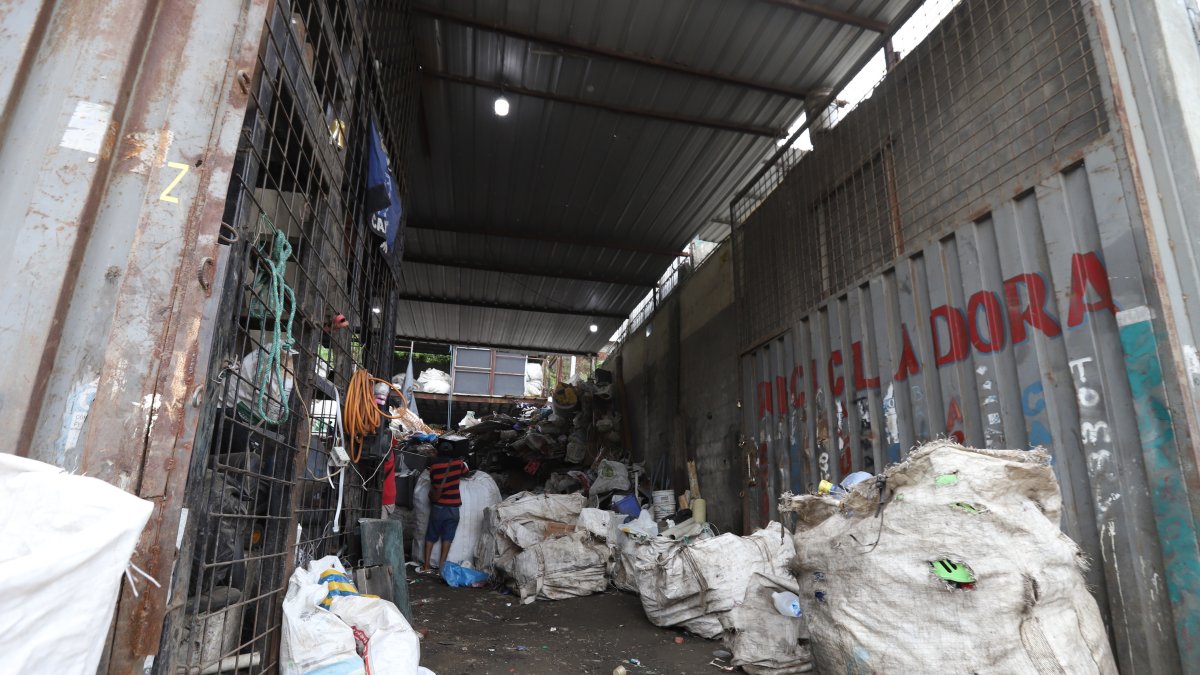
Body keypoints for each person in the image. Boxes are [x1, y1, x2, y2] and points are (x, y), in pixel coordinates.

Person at [419, 450, 468, 574]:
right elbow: (466, 473)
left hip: (438, 507)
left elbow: (433, 480)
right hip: (453, 508)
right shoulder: (458, 463)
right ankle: (441, 567)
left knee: (431, 536)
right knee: (448, 538)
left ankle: (426, 565)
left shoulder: (434, 466)